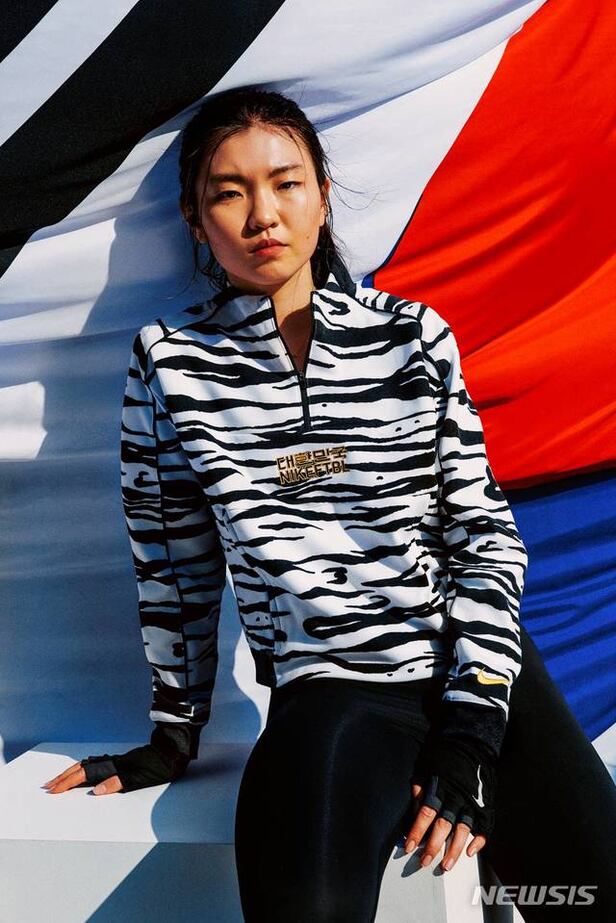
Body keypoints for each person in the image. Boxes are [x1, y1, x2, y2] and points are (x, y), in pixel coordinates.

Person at [42, 86, 616, 922]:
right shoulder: (170, 363)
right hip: (330, 698)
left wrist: (470, 733)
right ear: (196, 220)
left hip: (477, 686)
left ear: (322, 196)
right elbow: (172, 563)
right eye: (229, 192)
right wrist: (173, 733)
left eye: (286, 183)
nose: (262, 214)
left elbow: (486, 539)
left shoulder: (412, 336)